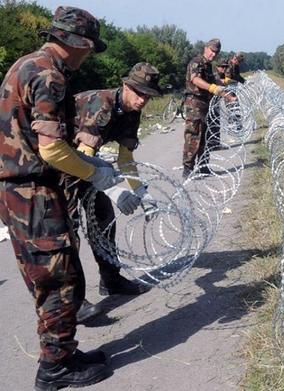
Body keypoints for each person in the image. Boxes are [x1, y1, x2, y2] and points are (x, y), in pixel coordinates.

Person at [0, 6, 117, 390]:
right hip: (32, 191)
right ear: (77, 43)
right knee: (58, 279)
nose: (89, 56)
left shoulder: (26, 65)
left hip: (19, 190)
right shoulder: (50, 75)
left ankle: (63, 351)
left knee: (51, 275)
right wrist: (95, 172)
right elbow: (50, 150)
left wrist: (84, 158)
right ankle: (54, 369)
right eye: (89, 48)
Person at [68, 63, 162, 324]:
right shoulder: (102, 104)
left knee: (103, 219)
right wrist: (112, 188)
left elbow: (126, 159)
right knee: (68, 230)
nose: (143, 100)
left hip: (88, 162)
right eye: (139, 93)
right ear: (125, 86)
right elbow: (82, 154)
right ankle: (73, 303)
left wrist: (141, 192)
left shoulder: (132, 110)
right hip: (62, 163)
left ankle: (111, 280)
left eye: (148, 95)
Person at [182, 38, 235, 179]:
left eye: (216, 53)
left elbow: (212, 80)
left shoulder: (208, 65)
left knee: (206, 135)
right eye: (212, 51)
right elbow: (196, 80)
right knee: (194, 135)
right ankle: (188, 168)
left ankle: (204, 166)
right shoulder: (197, 62)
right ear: (206, 48)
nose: (213, 55)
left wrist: (224, 85)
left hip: (206, 104)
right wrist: (214, 88)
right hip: (195, 103)